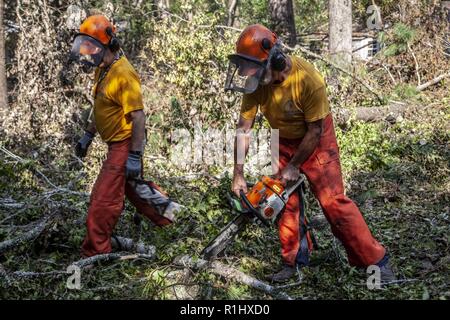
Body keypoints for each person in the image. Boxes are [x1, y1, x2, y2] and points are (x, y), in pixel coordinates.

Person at [225, 24, 395, 283]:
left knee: (333, 203)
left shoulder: (308, 80)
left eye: (256, 70)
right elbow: (243, 128)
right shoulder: (256, 83)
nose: (253, 76)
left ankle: (376, 261)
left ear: (276, 60)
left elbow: (315, 131)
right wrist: (238, 173)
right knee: (281, 202)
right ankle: (293, 260)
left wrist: (295, 165)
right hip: (281, 139)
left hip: (316, 140)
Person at [69, 15, 179, 257]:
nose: (87, 52)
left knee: (103, 200)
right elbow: (100, 107)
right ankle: (175, 218)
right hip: (115, 144)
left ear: (106, 45)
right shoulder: (103, 69)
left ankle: (95, 252)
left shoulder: (123, 73)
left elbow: (138, 117)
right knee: (135, 190)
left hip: (124, 144)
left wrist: (134, 155)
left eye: (91, 47)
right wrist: (88, 135)